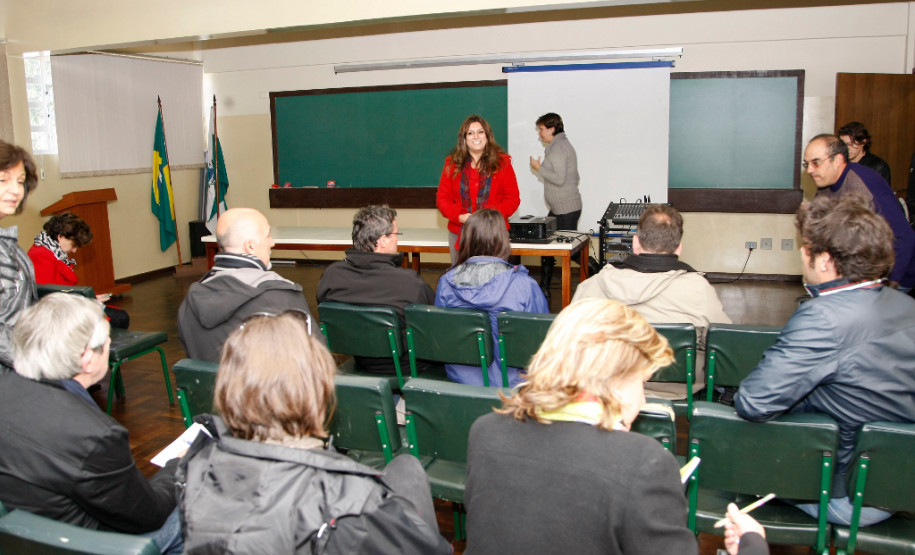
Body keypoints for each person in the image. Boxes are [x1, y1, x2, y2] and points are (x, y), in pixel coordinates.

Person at [464, 298, 769, 555]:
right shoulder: (643, 462)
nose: (643, 393)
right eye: (642, 380)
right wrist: (752, 544)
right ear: (616, 381)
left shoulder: (485, 431)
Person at [177, 312, 450, 553]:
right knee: (408, 469)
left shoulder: (195, 466)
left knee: (405, 469)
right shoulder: (349, 497)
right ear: (315, 390)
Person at [735, 194, 915, 527]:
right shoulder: (907, 307)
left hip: (847, 495)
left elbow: (753, 402)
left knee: (732, 455)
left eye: (806, 247)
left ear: (824, 260)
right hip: (898, 483)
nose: (802, 255)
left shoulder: (823, 318)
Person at [0, 294, 182, 554]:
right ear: (87, 359)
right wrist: (178, 467)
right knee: (194, 508)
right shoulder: (94, 434)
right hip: (87, 544)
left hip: (23, 538)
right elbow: (148, 516)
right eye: (108, 344)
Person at [572, 204, 731, 400]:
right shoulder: (699, 288)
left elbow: (571, 339)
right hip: (680, 386)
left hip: (608, 384)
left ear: (636, 243)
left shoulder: (594, 284)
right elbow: (725, 343)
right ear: (679, 248)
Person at [178, 207, 322, 362]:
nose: (272, 243)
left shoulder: (189, 302)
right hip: (266, 386)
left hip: (208, 386)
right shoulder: (281, 295)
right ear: (250, 246)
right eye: (268, 236)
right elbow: (317, 356)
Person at [435, 209, 548, 387]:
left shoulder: (446, 283)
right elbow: (543, 342)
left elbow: (442, 337)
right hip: (514, 384)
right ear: (503, 239)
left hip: (461, 380)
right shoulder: (525, 286)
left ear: (466, 239)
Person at [317, 204, 434, 373]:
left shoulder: (331, 276)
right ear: (383, 240)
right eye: (395, 234)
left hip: (360, 361)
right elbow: (431, 325)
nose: (397, 239)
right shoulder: (409, 283)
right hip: (407, 367)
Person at [805, 133, 915, 290]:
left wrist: (890, 286)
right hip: (862, 275)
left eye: (816, 163)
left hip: (896, 276)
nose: (809, 170)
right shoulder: (824, 187)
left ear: (837, 160)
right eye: (806, 164)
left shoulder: (863, 182)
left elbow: (903, 236)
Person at [436, 114, 520, 263]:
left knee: (493, 282)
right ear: (464, 138)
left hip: (494, 234)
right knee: (461, 281)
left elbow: (512, 198)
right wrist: (459, 217)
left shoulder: (503, 163)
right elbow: (442, 199)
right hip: (460, 233)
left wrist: (488, 219)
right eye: (470, 133)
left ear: (487, 136)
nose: (476, 136)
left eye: (480, 132)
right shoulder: (451, 164)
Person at [28, 212, 129, 328]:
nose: (75, 251)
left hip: (62, 308)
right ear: (60, 236)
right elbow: (48, 297)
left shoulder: (50, 252)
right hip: (53, 317)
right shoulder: (40, 256)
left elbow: (61, 291)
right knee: (119, 318)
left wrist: (90, 297)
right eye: (74, 245)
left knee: (118, 316)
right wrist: (86, 300)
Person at [530, 112, 581, 297]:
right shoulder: (557, 145)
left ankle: (599, 274)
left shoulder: (559, 147)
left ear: (552, 129)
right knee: (547, 245)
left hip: (566, 209)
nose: (540, 134)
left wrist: (539, 168)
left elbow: (559, 179)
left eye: (542, 130)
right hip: (560, 208)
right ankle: (545, 287)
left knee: (573, 251)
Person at [0, 140, 39, 370]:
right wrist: (41, 365)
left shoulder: (8, 244)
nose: (16, 190)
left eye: (21, 181)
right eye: (3, 180)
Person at [837, 121, 891, 186]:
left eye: (850, 144)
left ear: (863, 142)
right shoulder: (839, 162)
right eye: (843, 144)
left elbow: (884, 194)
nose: (846, 148)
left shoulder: (879, 166)